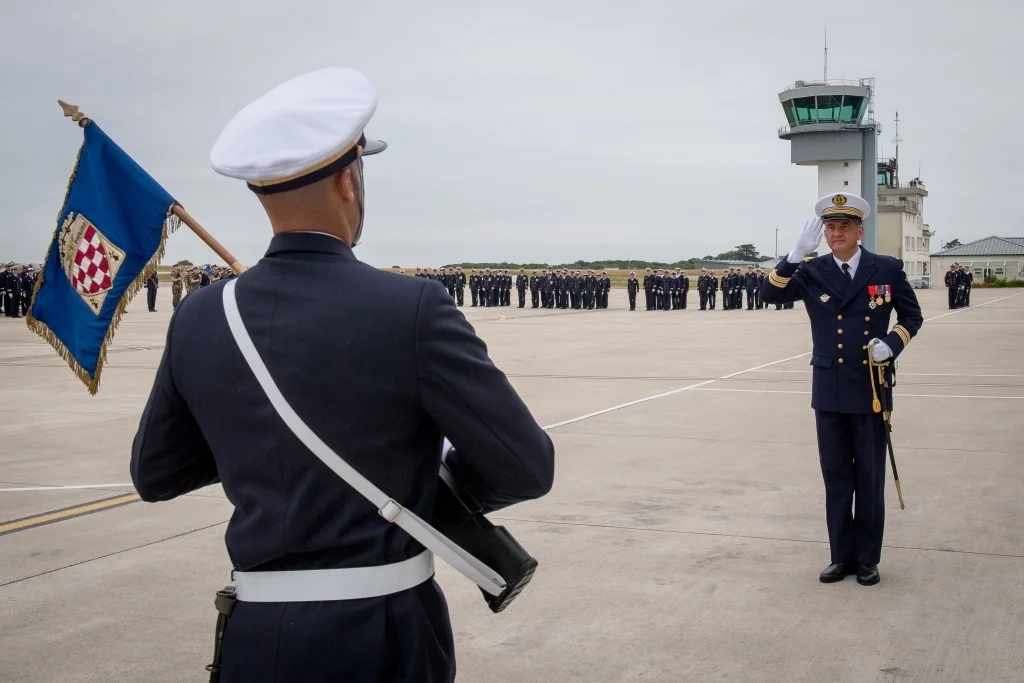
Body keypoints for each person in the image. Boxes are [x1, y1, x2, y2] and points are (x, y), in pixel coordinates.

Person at [130, 67, 555, 683]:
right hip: (381, 634)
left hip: (255, 639)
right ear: (351, 178)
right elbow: (526, 465)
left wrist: (259, 441)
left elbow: (158, 472)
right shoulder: (410, 307)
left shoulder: (202, 314)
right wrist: (424, 488)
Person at [761, 192, 922, 587]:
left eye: (844, 226)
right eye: (829, 227)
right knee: (836, 476)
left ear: (859, 230)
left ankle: (867, 559)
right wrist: (795, 255)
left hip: (870, 385)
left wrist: (893, 342)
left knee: (869, 477)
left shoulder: (884, 268)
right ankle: (840, 557)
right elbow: (770, 295)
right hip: (830, 387)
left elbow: (912, 315)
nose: (835, 233)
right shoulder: (813, 271)